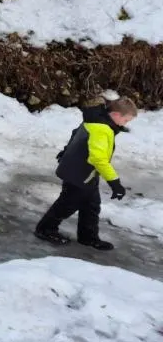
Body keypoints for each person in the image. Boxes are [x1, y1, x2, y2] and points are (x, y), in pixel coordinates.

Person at [35, 97, 137, 251]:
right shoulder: (102, 129)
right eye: (126, 120)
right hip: (79, 173)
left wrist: (66, 150)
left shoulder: (96, 118)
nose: (126, 124)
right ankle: (45, 229)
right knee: (67, 204)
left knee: (91, 205)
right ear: (116, 114)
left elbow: (76, 133)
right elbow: (98, 158)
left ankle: (88, 237)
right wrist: (115, 183)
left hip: (84, 171)